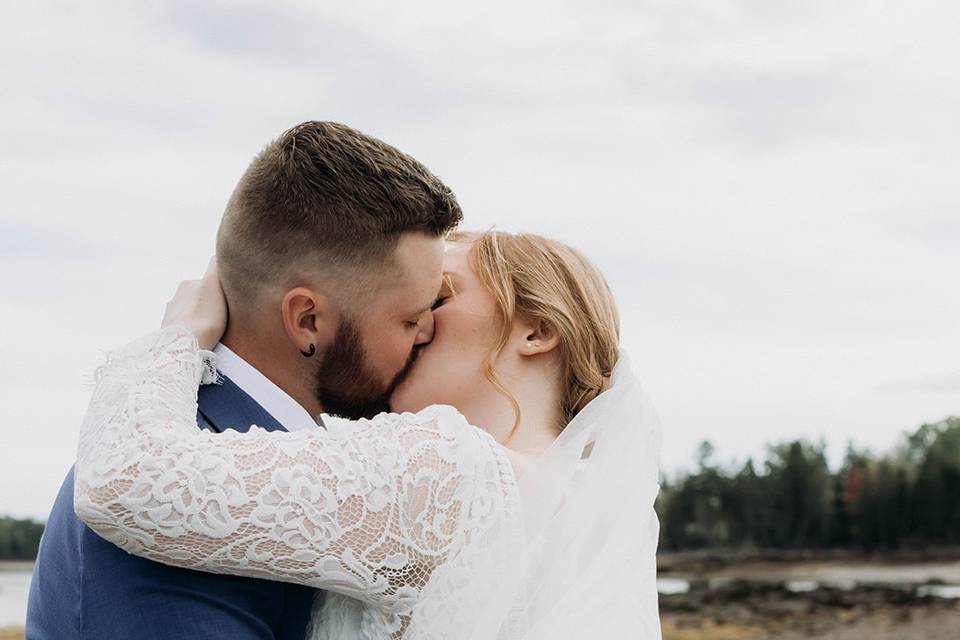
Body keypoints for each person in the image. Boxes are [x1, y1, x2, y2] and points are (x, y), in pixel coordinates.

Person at [71, 230, 663, 638]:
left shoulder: (445, 469)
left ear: (535, 331)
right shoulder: (585, 516)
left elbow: (124, 477)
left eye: (442, 294)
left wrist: (181, 333)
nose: (417, 318)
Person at [26, 121, 462, 640]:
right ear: (308, 321)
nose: (428, 332)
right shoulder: (173, 487)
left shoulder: (206, 450)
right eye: (409, 320)